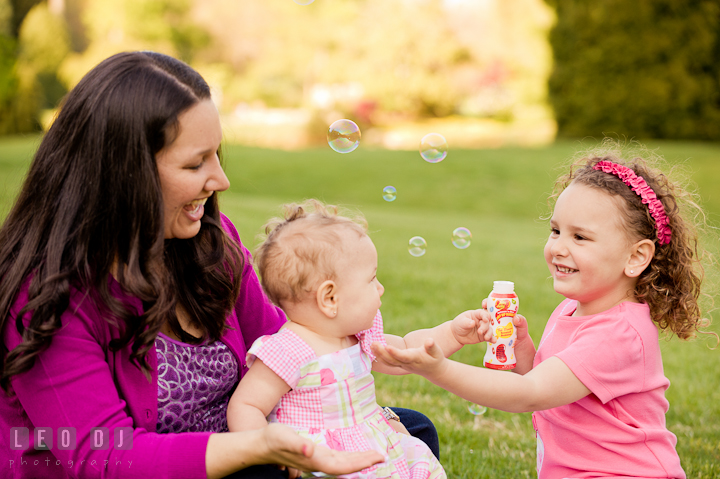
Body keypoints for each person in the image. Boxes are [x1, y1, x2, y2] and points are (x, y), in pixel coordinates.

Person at [0, 51, 387, 479]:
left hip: (242, 447)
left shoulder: (210, 243)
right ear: (125, 173)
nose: (220, 179)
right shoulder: (45, 295)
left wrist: (405, 349)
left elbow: (288, 343)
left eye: (217, 154)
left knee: (402, 431)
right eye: (195, 162)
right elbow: (104, 457)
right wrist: (254, 446)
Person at [374, 146, 717, 478]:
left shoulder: (619, 333)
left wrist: (439, 369)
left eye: (580, 237)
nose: (557, 248)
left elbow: (531, 394)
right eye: (555, 231)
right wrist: (523, 350)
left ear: (635, 257)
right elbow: (547, 385)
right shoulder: (572, 309)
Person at [228, 200, 487, 479]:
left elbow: (406, 350)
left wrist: (452, 332)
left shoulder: (358, 336)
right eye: (372, 279)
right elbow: (247, 405)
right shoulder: (288, 350)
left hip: (369, 444)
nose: (381, 288)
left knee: (414, 448)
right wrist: (268, 450)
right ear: (330, 298)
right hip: (318, 460)